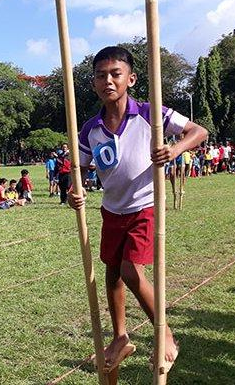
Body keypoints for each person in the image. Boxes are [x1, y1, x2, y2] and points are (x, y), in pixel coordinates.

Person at [68, 46, 208, 373]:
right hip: (111, 210)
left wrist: (175, 150)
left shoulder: (150, 113)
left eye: (115, 74)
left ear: (130, 79)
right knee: (113, 272)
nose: (108, 81)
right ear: (93, 84)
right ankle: (120, 337)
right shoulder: (90, 129)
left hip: (144, 207)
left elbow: (198, 132)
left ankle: (166, 336)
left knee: (132, 272)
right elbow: (82, 169)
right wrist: (77, 192)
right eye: (101, 76)